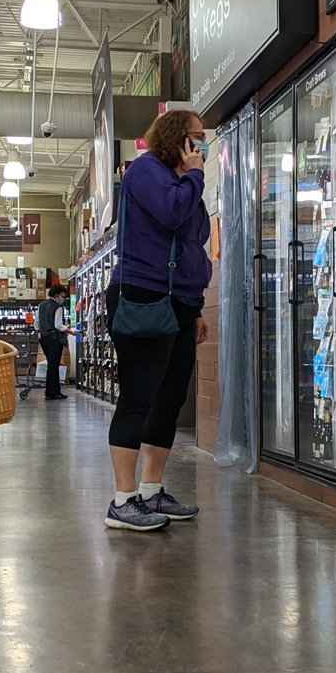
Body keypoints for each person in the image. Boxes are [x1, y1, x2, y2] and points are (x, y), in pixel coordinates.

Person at [104, 109, 211, 531]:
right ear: (176, 137)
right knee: (138, 395)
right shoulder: (147, 170)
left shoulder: (180, 178)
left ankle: (151, 491)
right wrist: (195, 175)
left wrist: (196, 308)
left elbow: (192, 237)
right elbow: (171, 212)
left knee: (169, 398)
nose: (202, 144)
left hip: (180, 300)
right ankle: (122, 500)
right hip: (144, 295)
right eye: (196, 136)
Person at [34, 283, 70, 400]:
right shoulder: (58, 307)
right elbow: (58, 325)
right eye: (62, 296)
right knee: (54, 365)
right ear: (56, 295)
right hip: (54, 338)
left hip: (43, 338)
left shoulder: (41, 305)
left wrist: (40, 331)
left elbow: (36, 323)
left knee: (51, 364)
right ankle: (53, 392)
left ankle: (50, 391)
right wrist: (70, 331)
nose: (63, 299)